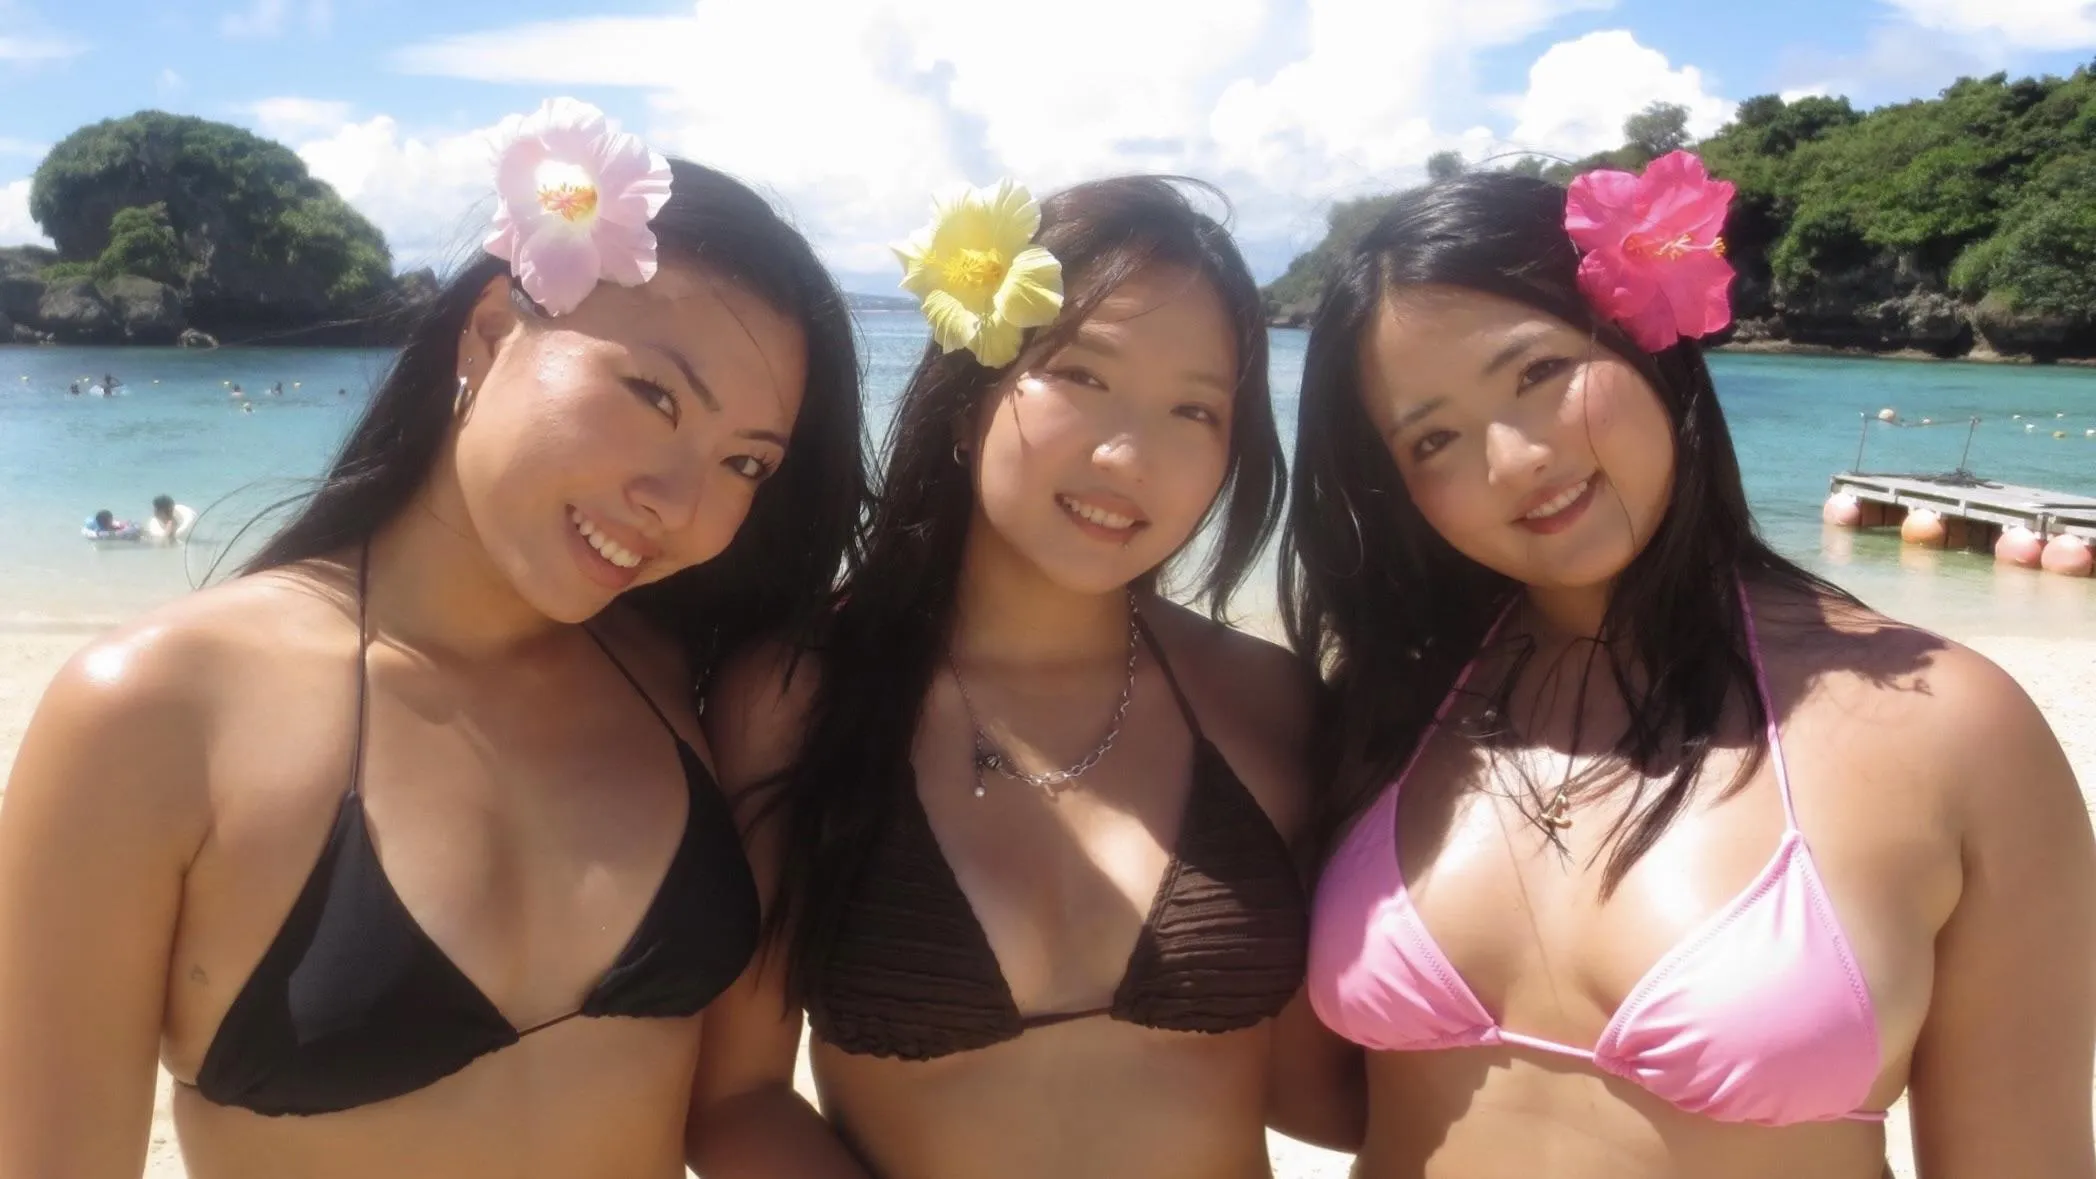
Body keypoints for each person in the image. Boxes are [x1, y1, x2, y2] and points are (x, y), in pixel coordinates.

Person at [0, 98, 867, 1179]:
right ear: (493, 332)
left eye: (746, 463)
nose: (677, 504)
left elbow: (734, 1101)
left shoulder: (679, 682)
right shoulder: (156, 713)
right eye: (652, 395)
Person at [1286, 158, 2094, 1178]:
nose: (1513, 459)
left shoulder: (1950, 728)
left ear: (1644, 341)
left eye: (1537, 373)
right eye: (1433, 437)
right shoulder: (1384, 703)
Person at [688, 177, 1344, 1179]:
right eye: (1081, 374)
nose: (1129, 455)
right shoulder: (797, 693)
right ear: (969, 398)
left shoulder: (1262, 698)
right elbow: (737, 1102)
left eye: (1194, 408)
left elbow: (1318, 1086)